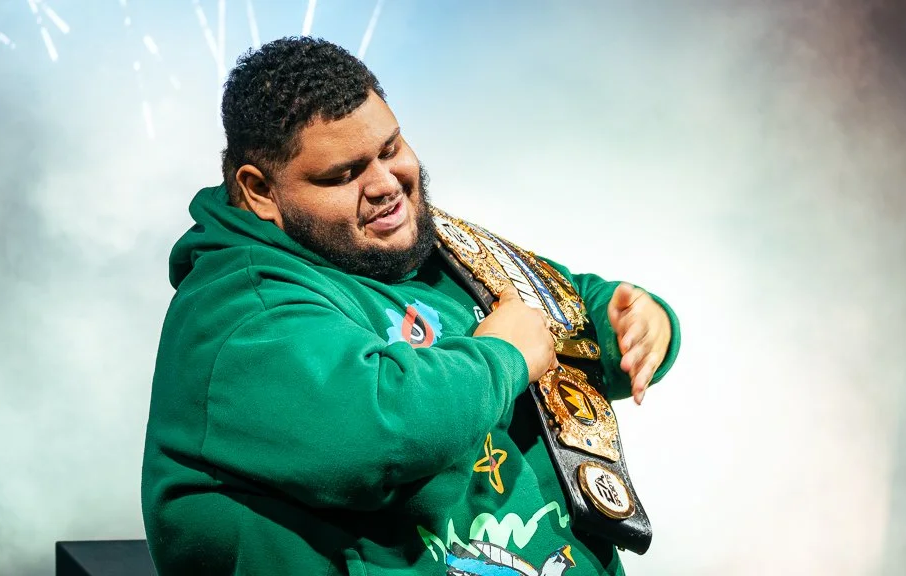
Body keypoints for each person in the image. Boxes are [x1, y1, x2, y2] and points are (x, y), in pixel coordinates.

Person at [141, 36, 681, 576]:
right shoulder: (238, 310)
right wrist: (502, 355)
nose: (385, 185)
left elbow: (558, 311)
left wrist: (633, 326)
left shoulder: (407, 243)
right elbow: (377, 432)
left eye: (390, 148)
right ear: (260, 191)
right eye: (343, 174)